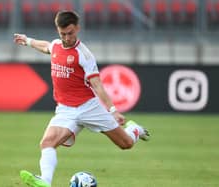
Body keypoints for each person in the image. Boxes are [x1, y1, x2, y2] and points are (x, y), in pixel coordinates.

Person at [13, 10, 150, 187]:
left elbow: (98, 85)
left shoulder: (84, 55)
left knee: (126, 143)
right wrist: (28, 41)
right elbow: (46, 46)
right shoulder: (56, 45)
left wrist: (113, 110)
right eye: (63, 34)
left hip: (88, 107)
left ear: (77, 28)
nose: (67, 37)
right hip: (65, 109)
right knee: (47, 142)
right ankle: (45, 180)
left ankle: (135, 129)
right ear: (58, 30)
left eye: (70, 33)